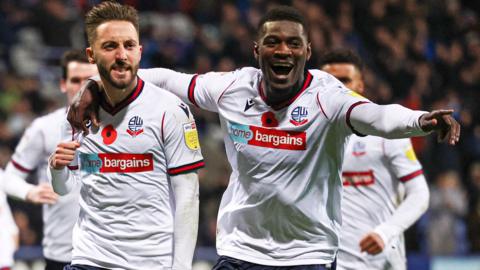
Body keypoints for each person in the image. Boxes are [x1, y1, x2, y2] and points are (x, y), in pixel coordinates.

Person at [69, 5, 460, 269]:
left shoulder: (328, 97)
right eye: (273, 42)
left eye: (293, 43)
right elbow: (163, 78)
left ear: (307, 50)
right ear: (257, 49)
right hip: (239, 251)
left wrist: (421, 119)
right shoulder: (233, 88)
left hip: (307, 255)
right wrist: (92, 84)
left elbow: (379, 116)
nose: (282, 50)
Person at [48, 2, 204, 270]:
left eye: (129, 46)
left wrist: (182, 266)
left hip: (151, 262)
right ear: (91, 54)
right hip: (89, 259)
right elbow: (65, 189)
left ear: (140, 52)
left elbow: (188, 195)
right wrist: (56, 170)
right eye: (110, 47)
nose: (121, 55)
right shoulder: (77, 114)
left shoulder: (170, 110)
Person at [319, 49, 430, 270]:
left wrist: (386, 231)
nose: (337, 88)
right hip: (325, 261)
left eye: (345, 80)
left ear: (361, 85)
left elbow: (419, 194)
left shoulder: (384, 133)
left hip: (379, 260)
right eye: (330, 81)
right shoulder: (312, 136)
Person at [5, 49, 98, 270]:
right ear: (63, 84)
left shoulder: (120, 128)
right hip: (62, 252)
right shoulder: (44, 128)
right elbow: (8, 178)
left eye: (90, 81)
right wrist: (30, 192)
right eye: (76, 80)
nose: (82, 87)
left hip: (111, 251)